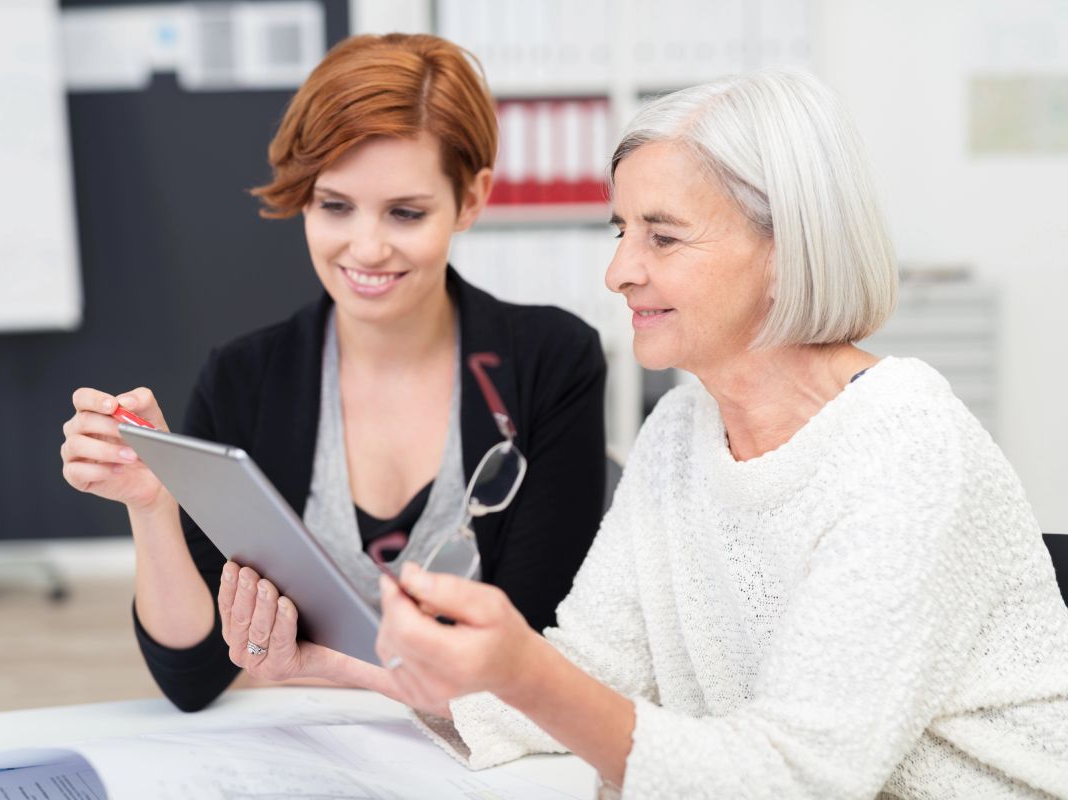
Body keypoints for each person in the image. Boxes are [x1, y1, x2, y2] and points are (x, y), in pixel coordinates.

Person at [371, 69, 1068, 799]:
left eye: (663, 237)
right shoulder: (679, 431)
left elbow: (798, 777)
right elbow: (600, 667)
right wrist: (360, 669)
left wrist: (524, 671)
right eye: (621, 231)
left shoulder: (909, 447)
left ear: (785, 249)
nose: (618, 271)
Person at [59, 33, 606, 713]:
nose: (367, 248)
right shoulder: (242, 381)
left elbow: (530, 656)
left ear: (471, 199)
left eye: (406, 212)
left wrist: (323, 668)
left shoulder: (551, 362)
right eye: (335, 205)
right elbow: (192, 677)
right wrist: (152, 507)